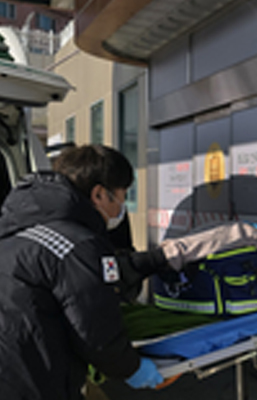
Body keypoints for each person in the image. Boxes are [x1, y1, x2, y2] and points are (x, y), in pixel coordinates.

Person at [0, 144, 173, 400]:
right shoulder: (78, 245)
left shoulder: (17, 233)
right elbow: (95, 332)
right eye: (122, 195)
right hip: (32, 385)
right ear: (99, 194)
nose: (121, 207)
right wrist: (132, 368)